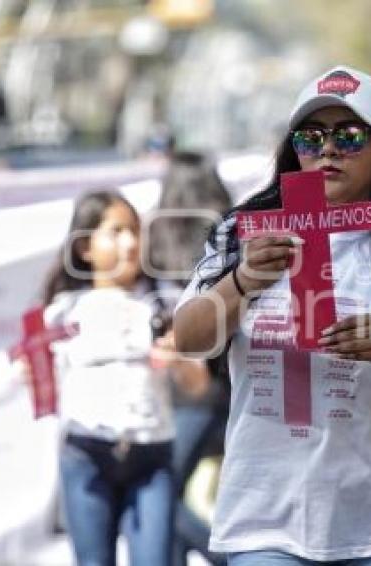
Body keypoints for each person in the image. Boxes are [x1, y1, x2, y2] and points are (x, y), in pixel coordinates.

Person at [173, 65, 371, 566]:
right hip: (266, 521)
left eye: (348, 136)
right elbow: (188, 338)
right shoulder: (244, 233)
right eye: (310, 137)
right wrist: (245, 281)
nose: (327, 150)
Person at [41, 190, 207, 566]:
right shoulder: (61, 313)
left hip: (151, 459)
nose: (130, 242)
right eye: (115, 232)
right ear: (85, 247)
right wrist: (32, 371)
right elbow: (44, 388)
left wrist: (178, 360)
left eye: (134, 230)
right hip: (86, 455)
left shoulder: (167, 302)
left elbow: (198, 385)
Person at [149, 150, 232, 566]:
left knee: (162, 494)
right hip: (228, 389)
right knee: (173, 494)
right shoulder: (230, 237)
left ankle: (237, 556)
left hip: (182, 398)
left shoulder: (154, 243)